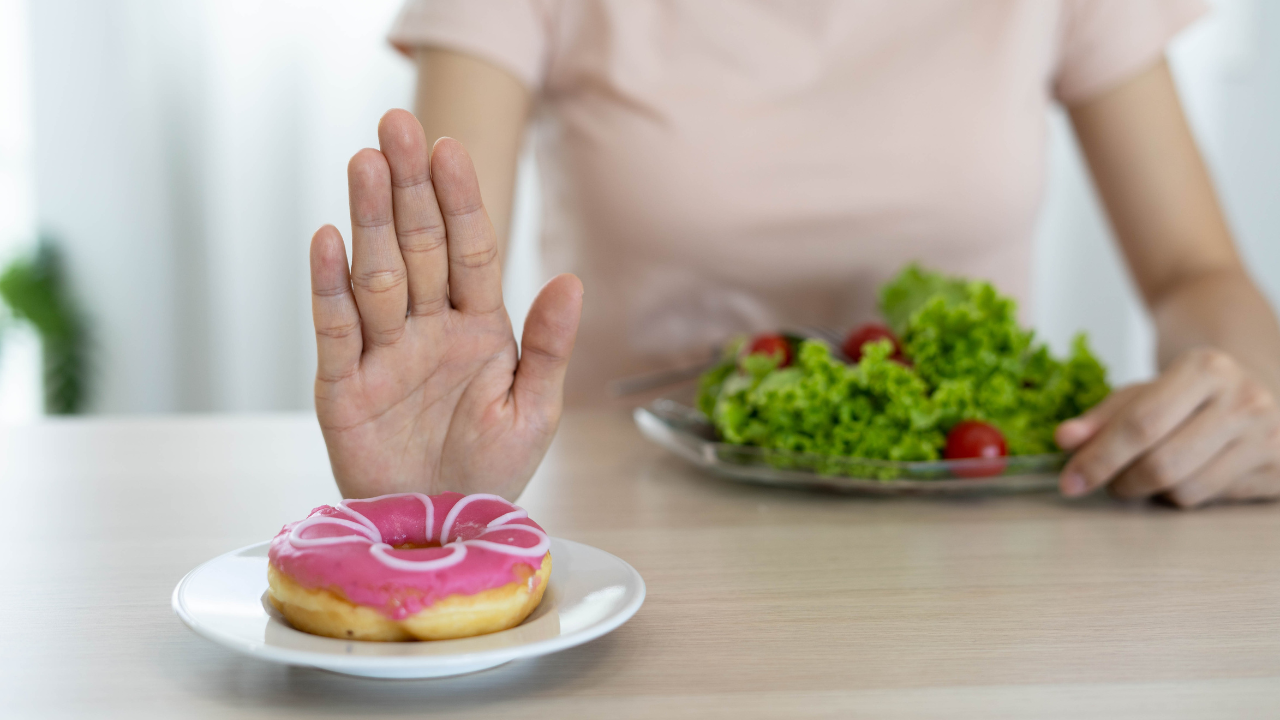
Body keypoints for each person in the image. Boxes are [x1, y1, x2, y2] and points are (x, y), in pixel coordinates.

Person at [308, 0, 1280, 508]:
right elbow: (439, 294)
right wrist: (435, 495)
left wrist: (1245, 398)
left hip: (976, 537)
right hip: (641, 528)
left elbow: (1195, 273)